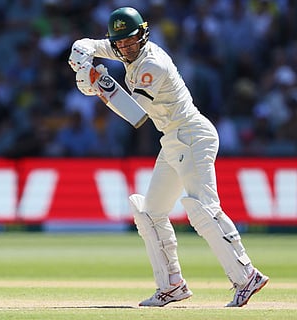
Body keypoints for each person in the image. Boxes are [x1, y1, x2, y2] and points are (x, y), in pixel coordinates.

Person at [68, 7, 268, 307]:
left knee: (202, 209)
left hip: (191, 136)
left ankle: (247, 275)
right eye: (120, 42)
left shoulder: (152, 64)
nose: (124, 48)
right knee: (150, 213)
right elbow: (92, 44)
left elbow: (135, 115)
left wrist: (97, 82)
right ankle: (172, 285)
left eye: (130, 41)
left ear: (143, 35)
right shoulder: (124, 46)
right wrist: (80, 53)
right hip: (174, 141)